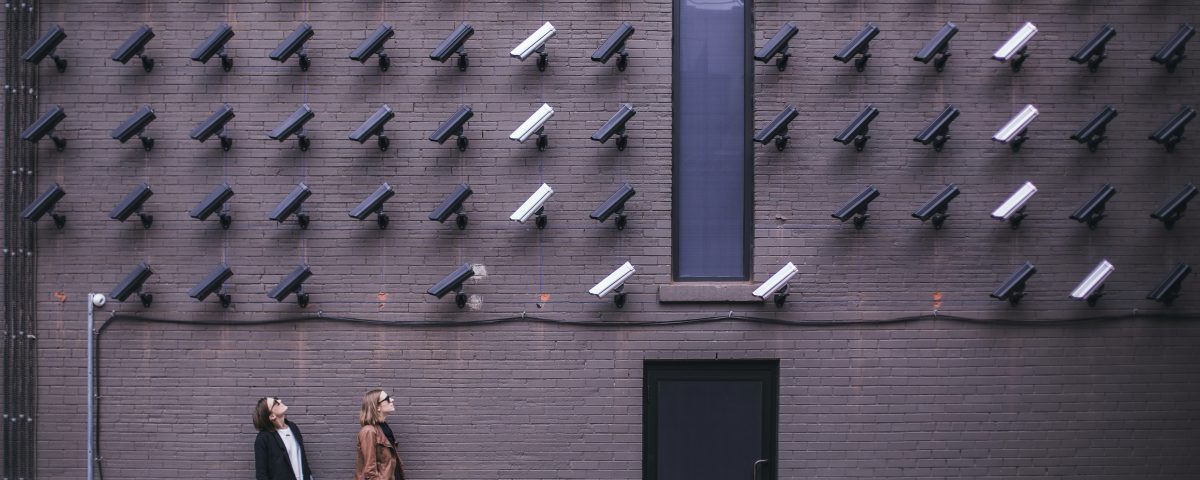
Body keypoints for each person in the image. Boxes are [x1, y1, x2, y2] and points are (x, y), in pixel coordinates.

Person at [253, 397, 315, 480]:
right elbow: (261, 474)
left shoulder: (293, 427)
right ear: (272, 416)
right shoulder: (263, 438)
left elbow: (302, 457)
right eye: (275, 403)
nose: (280, 401)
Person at [355, 389, 406, 480]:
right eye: (387, 399)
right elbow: (370, 472)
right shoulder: (368, 431)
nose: (392, 400)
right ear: (377, 407)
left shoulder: (384, 428)